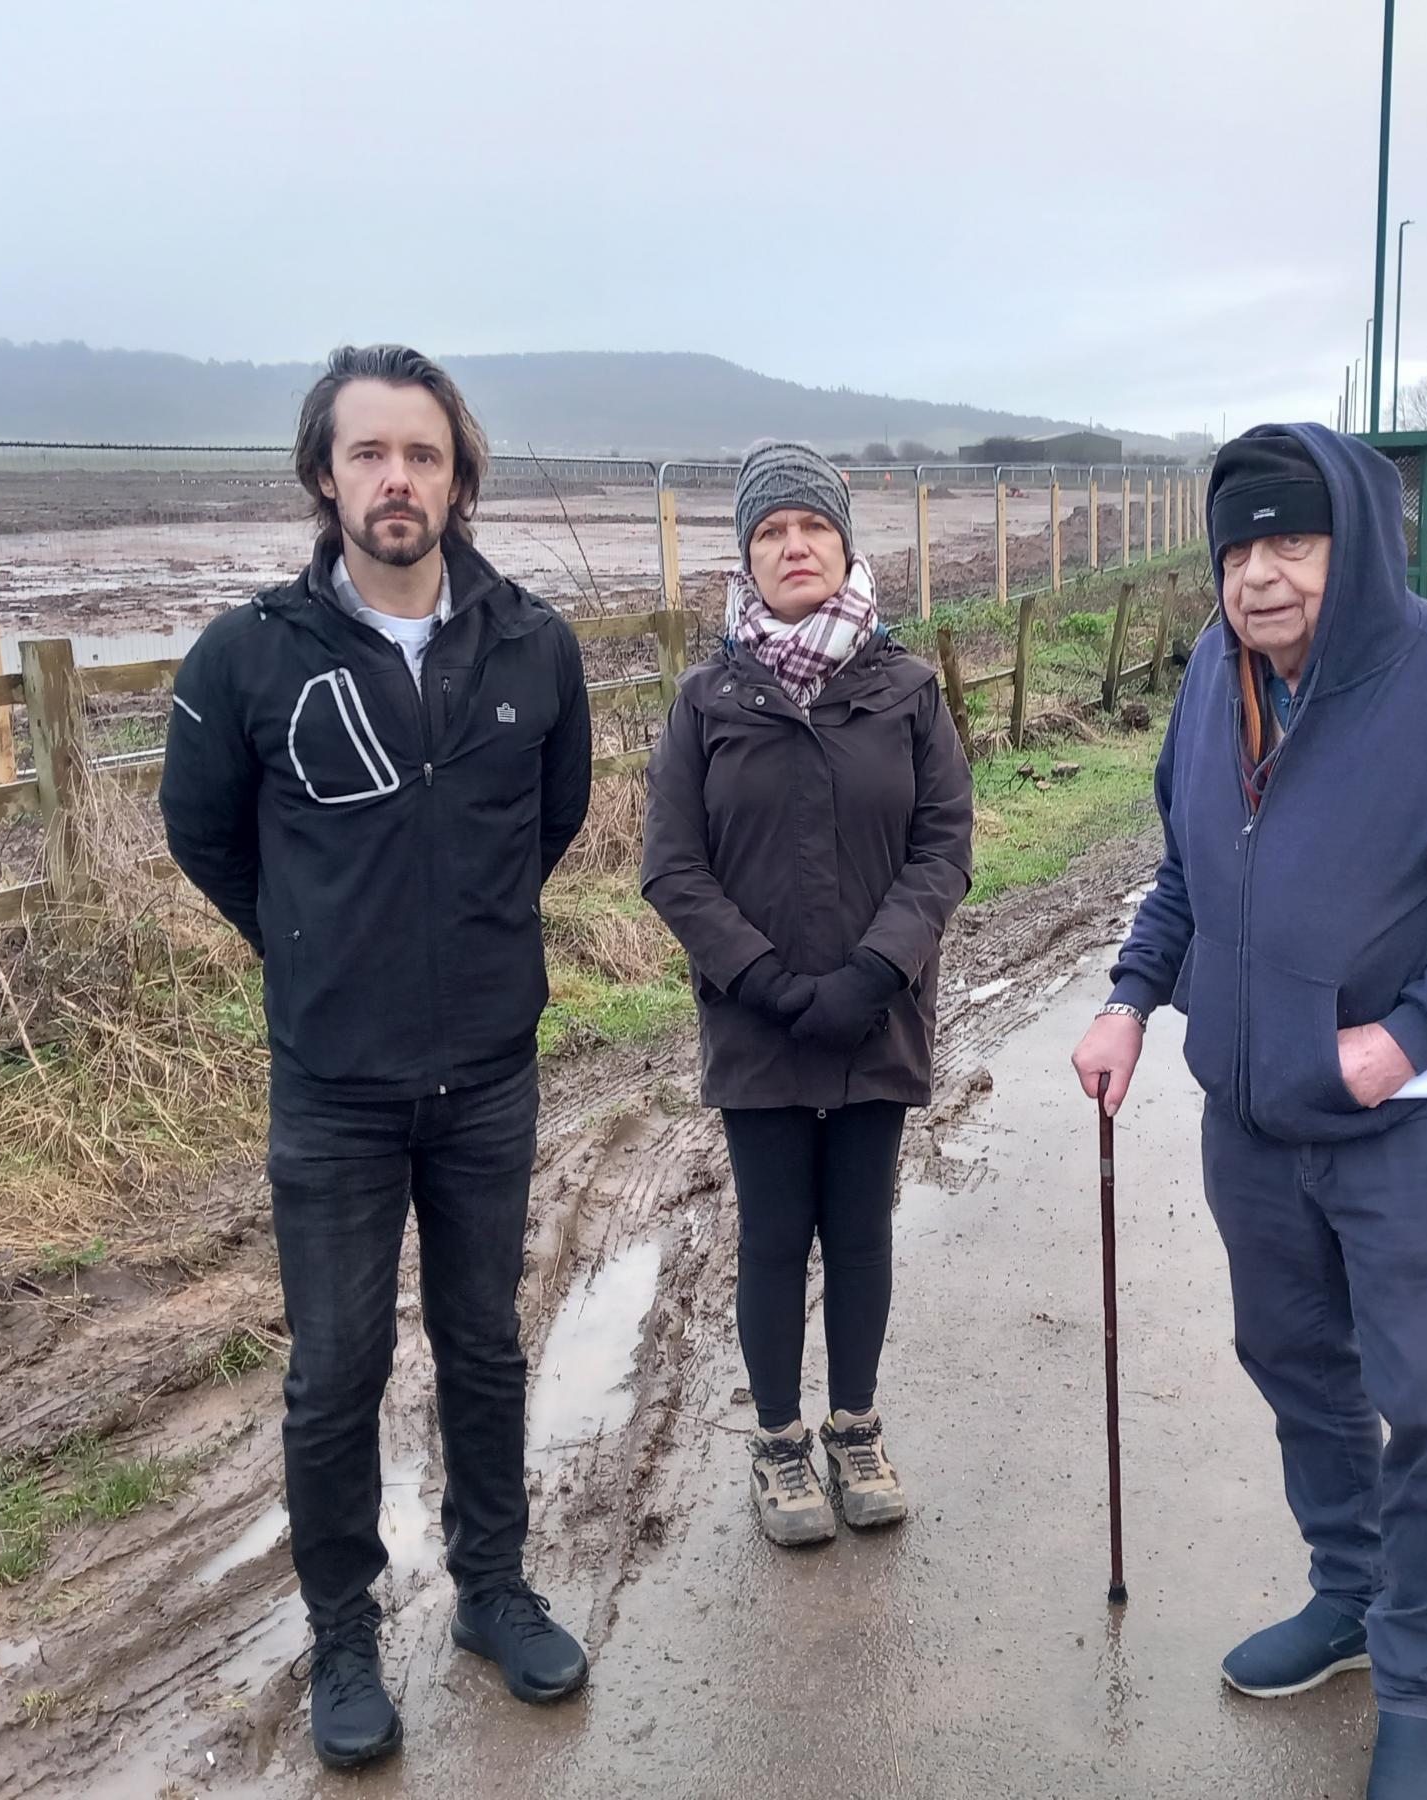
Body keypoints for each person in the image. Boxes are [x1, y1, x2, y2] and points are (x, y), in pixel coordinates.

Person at [1070, 425, 1427, 1800]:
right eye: (1237, 546)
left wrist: (1408, 1034)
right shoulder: (1212, 673)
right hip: (1255, 1127)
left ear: (1352, 543)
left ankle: (1419, 1693)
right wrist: (1133, 997)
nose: (1259, 575)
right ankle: (1349, 1598)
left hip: (1417, 1135)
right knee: (1298, 1368)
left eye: (1289, 541)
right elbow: (1186, 869)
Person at [161, 344, 594, 1770]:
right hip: (333, 1087)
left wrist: (460, 941)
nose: (395, 479)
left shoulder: (533, 644)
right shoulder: (250, 657)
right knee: (337, 1367)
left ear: (460, 478)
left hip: (487, 1071)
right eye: (369, 454)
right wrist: (314, 949)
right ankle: (343, 1633)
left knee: (482, 1344)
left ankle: (491, 1588)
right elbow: (207, 836)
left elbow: (554, 820)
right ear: (323, 474)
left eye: (422, 454)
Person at [642, 441, 972, 1548]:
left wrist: (879, 970)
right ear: (747, 556)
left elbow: (943, 844)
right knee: (776, 1235)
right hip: (759, 1024)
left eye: (812, 530)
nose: (794, 548)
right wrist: (767, 981)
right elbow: (672, 866)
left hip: (878, 1013)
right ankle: (779, 1445)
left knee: (862, 1231)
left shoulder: (907, 691)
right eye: (772, 533)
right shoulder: (705, 700)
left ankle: (856, 1428)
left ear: (844, 548)